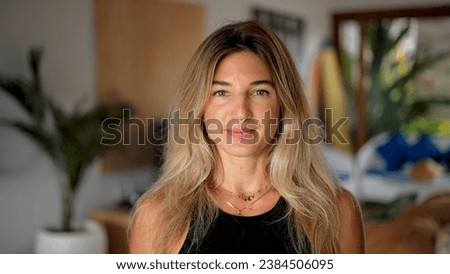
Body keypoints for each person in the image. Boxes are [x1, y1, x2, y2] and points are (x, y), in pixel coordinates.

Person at [129, 20, 365, 254]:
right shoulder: (156, 216)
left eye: (259, 91)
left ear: (284, 105)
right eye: (221, 92)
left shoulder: (336, 211)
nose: (241, 113)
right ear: (198, 107)